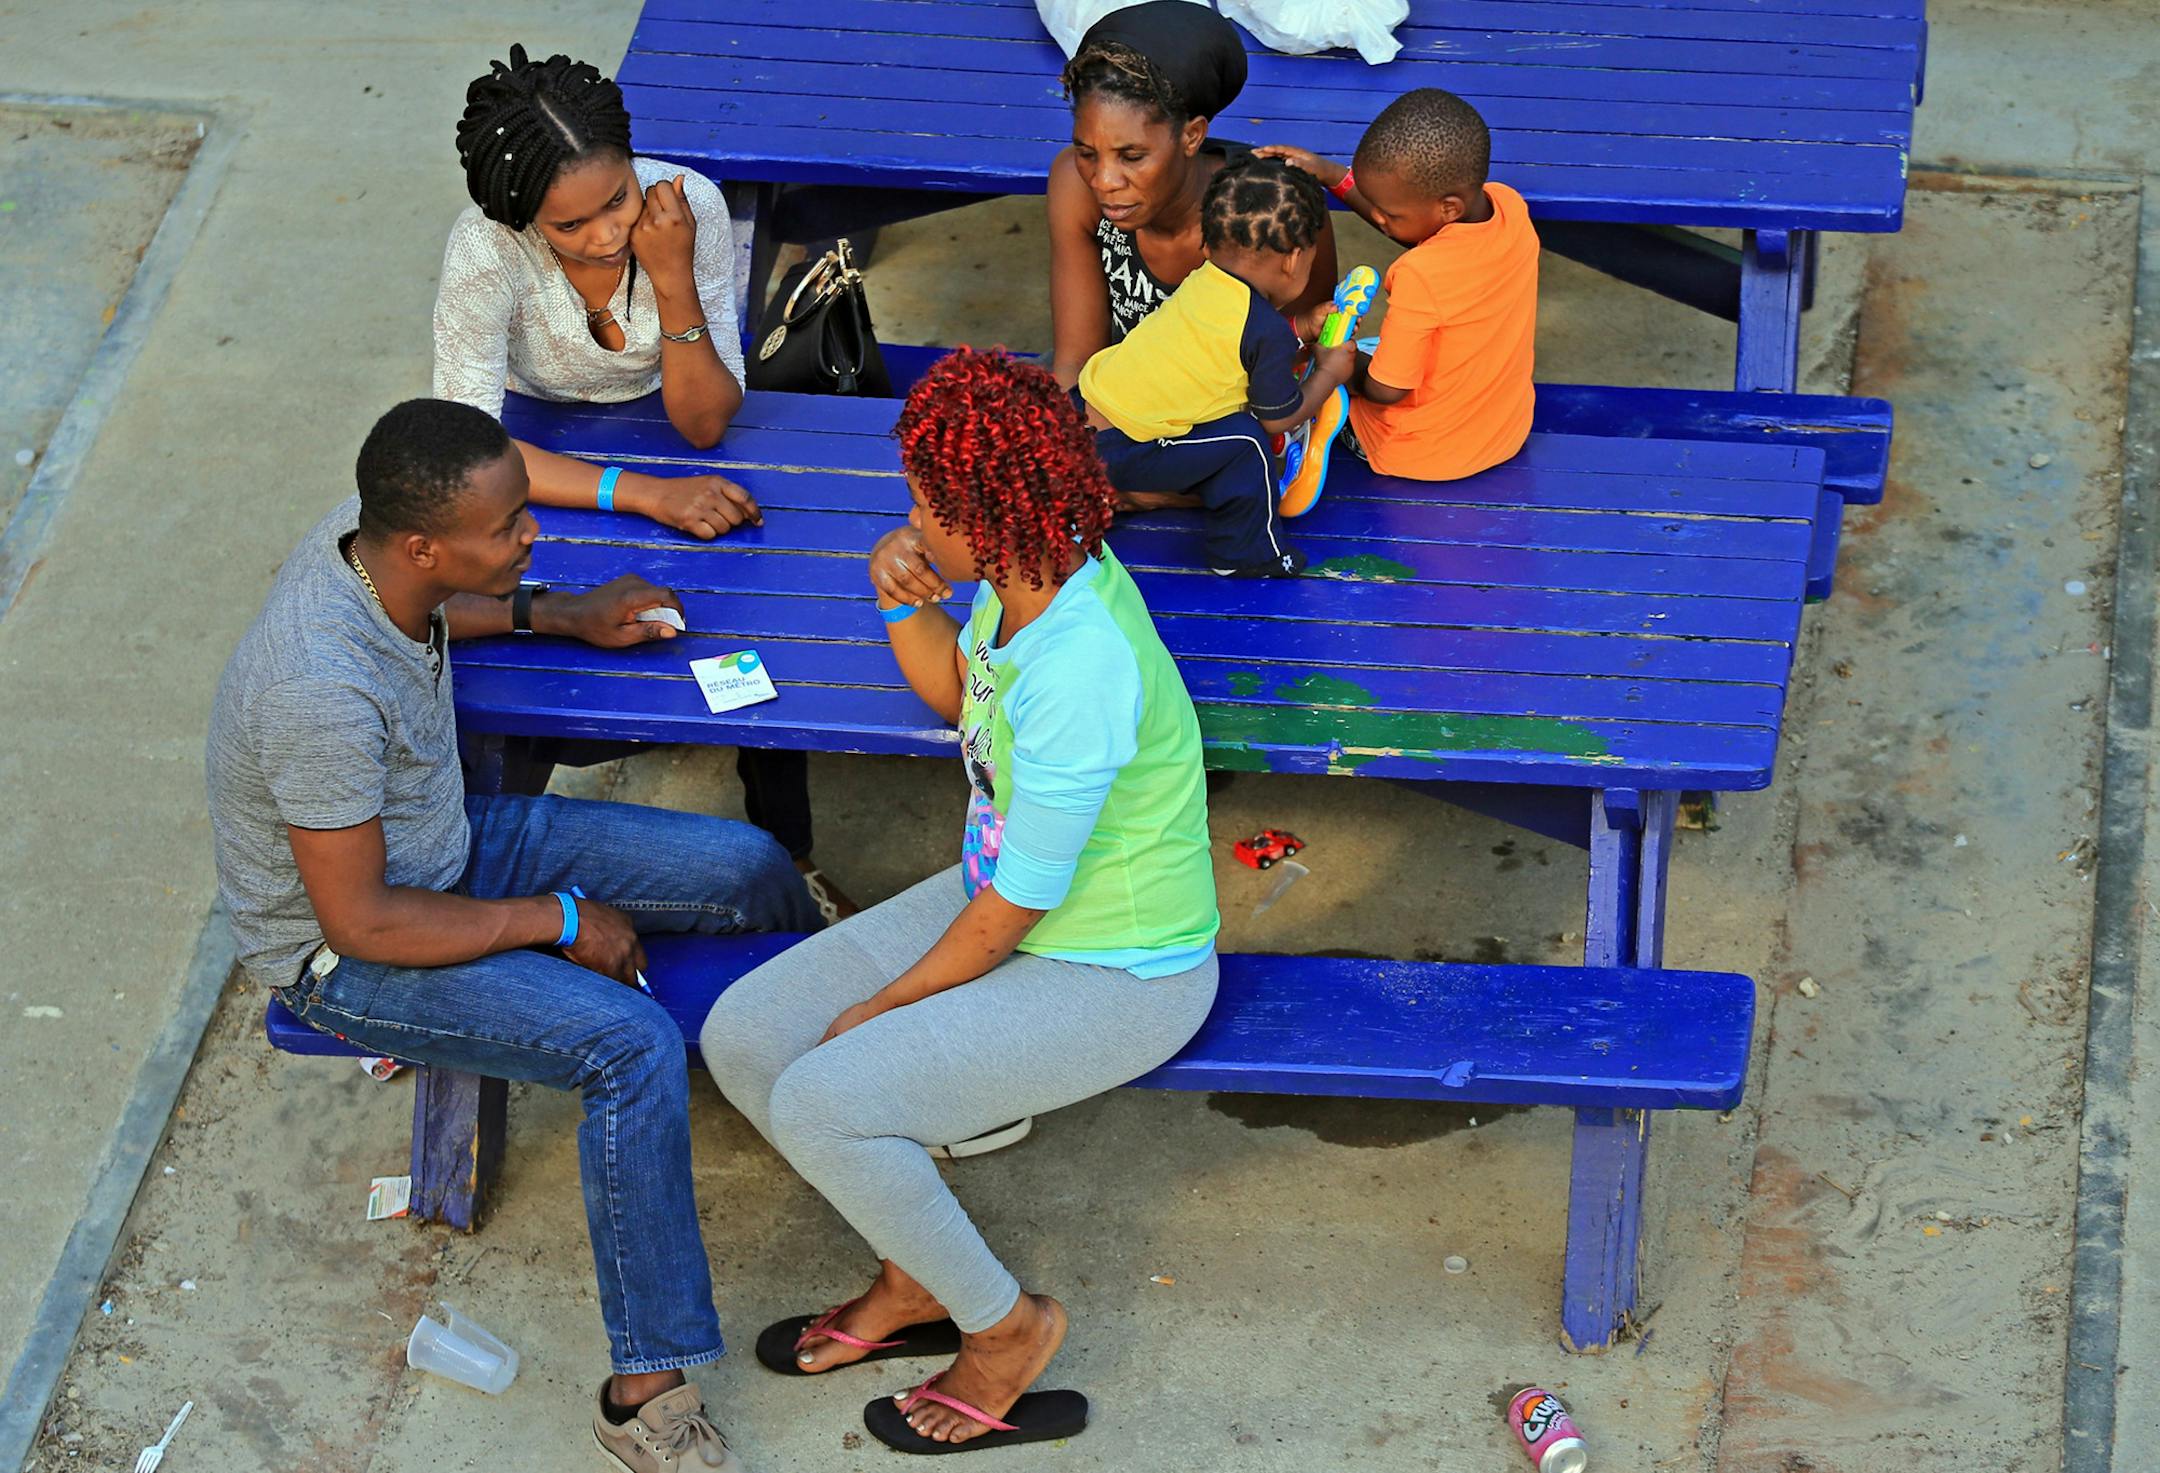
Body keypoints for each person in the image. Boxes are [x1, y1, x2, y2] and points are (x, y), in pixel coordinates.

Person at [206, 398, 823, 1473]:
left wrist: (561, 613)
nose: (527, 533)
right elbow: (364, 919)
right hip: (345, 947)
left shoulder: (373, 542)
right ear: (423, 543)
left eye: (521, 512)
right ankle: (647, 1392)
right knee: (626, 1050)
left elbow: (444, 610)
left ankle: (803, 1046)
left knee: (746, 866)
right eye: (506, 530)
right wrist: (563, 919)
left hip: (440, 843)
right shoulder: (316, 692)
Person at [698, 351, 1220, 1454]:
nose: (910, 518)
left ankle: (1006, 1328)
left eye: (921, 505)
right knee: (749, 1036)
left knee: (826, 1097)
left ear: (979, 516)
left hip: (1119, 968)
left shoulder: (1082, 664)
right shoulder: (1017, 587)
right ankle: (915, 1279)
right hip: (1010, 907)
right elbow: (955, 699)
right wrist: (900, 596)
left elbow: (1019, 910)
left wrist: (884, 1006)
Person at [432, 45, 852, 918]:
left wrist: (671, 279)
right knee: (522, 640)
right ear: (521, 218)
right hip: (540, 462)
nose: (606, 233)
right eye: (570, 225)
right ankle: (497, 847)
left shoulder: (682, 205)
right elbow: (475, 454)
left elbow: (703, 422)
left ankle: (788, 846)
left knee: (749, 620)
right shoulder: (483, 251)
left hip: (683, 435)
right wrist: (643, 492)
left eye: (615, 200)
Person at [1046, 2, 1336, 428]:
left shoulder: (1271, 213)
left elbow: (1289, 372)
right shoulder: (1075, 183)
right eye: (1089, 152)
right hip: (1126, 402)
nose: (1104, 180)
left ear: (1192, 135)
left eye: (1132, 156)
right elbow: (1075, 362)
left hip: (1235, 420)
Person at [1077, 156, 1353, 575]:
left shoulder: (1204, 279)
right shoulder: (1263, 330)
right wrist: (1330, 373)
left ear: (1208, 243)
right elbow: (1279, 418)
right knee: (1247, 443)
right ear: (1294, 260)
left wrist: (1301, 328)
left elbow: (1237, 343)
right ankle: (1246, 554)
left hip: (1084, 412)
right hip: (1127, 446)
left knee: (1227, 433)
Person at [1258, 88, 1540, 484]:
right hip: (1502, 430)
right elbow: (1420, 228)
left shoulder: (1421, 274)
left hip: (1421, 452)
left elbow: (1387, 390)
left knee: (1304, 373)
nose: (1378, 219)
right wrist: (1332, 175)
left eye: (1387, 214)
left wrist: (1335, 360)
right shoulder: (1509, 207)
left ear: (1449, 208)